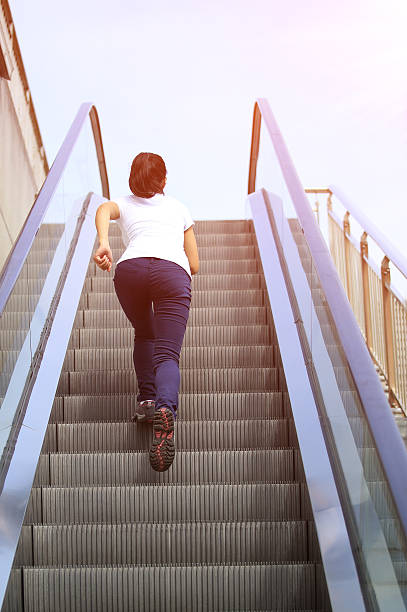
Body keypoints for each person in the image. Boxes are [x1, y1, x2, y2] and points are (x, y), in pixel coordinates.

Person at [93, 152, 199, 472]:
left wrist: (104, 242)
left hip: (131, 270)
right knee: (167, 354)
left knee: (144, 331)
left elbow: (102, 209)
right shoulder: (179, 208)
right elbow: (194, 264)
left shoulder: (122, 204)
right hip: (171, 273)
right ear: (163, 180)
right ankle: (166, 412)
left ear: (132, 177)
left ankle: (147, 401)